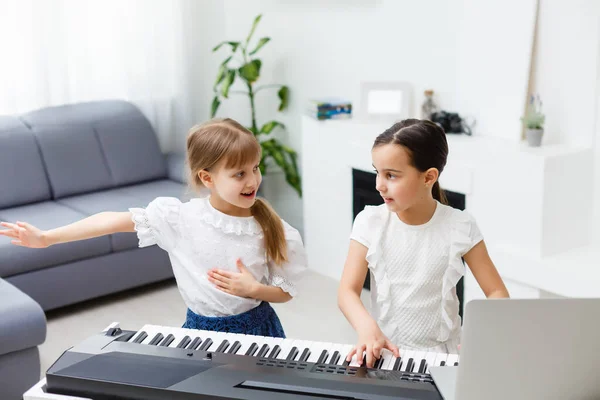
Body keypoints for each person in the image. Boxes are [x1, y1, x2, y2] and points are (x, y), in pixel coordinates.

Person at [0, 118, 307, 338]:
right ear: (207, 178)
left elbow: (285, 293)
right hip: (200, 335)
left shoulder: (270, 227)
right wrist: (47, 237)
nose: (253, 180)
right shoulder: (179, 219)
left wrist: (254, 290)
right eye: (239, 173)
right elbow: (110, 220)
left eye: (255, 168)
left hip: (260, 332)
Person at [338, 119, 509, 367]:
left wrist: (482, 332)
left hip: (445, 359)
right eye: (377, 172)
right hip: (386, 353)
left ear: (429, 177)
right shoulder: (369, 222)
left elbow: (497, 291)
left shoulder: (460, 226)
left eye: (391, 176)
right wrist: (366, 327)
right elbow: (347, 292)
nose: (379, 185)